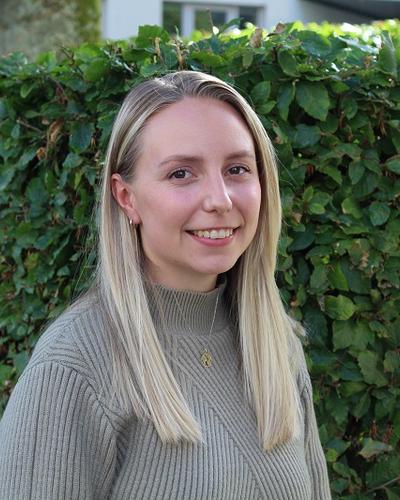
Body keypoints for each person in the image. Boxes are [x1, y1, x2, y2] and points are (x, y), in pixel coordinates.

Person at [0, 70, 331, 499]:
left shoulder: (275, 345)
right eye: (181, 174)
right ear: (126, 197)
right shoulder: (74, 366)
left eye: (237, 169)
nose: (220, 200)